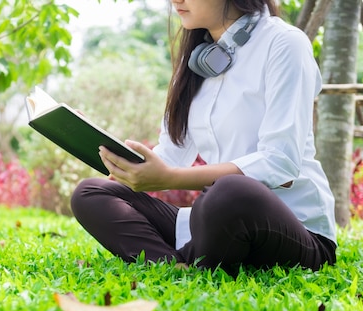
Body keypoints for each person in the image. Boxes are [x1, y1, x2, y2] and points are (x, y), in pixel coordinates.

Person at [70, 0, 337, 274]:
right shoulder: (198, 59)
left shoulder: (285, 44)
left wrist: (169, 178)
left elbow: (281, 163)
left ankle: (180, 259)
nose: (176, 1)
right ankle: (174, 267)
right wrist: (117, 156)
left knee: (230, 191)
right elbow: (171, 154)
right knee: (90, 193)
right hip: (214, 219)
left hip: (294, 229)